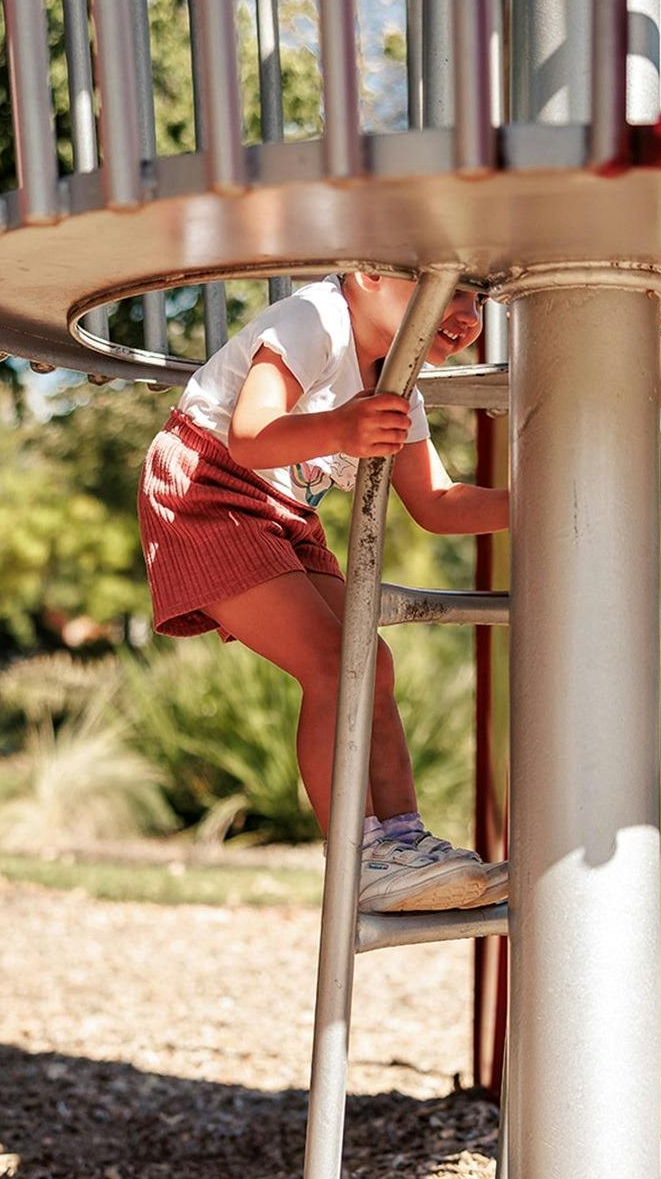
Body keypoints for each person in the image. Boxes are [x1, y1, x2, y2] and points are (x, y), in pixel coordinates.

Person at [138, 272, 510, 913]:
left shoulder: (399, 380)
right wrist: (341, 428)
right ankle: (358, 856)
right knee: (333, 667)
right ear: (368, 275)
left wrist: (540, 498)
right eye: (449, 287)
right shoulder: (315, 318)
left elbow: (436, 504)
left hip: (282, 512)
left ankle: (403, 843)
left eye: (477, 297)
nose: (468, 314)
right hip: (207, 488)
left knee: (373, 666)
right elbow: (250, 436)